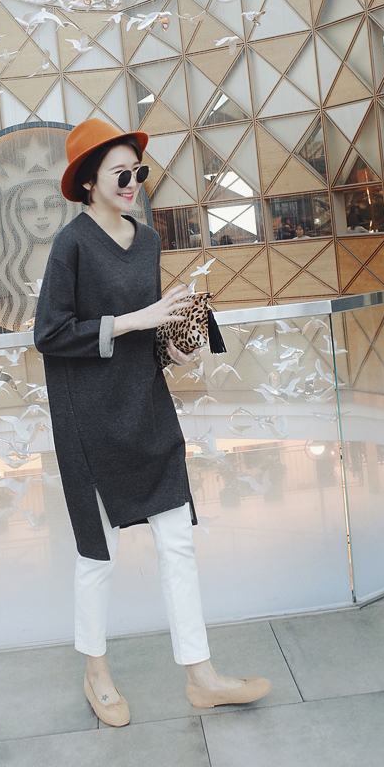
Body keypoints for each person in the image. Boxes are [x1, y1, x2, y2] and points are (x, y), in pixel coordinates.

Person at [34, 118, 271, 727]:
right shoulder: (71, 245)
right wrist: (139, 320)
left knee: (178, 544)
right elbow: (50, 334)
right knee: (99, 555)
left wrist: (176, 347)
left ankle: (201, 676)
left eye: (138, 172)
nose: (132, 182)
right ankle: (96, 673)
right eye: (120, 174)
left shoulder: (148, 241)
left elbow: (148, 333)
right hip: (90, 420)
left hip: (147, 408)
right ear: (88, 182)